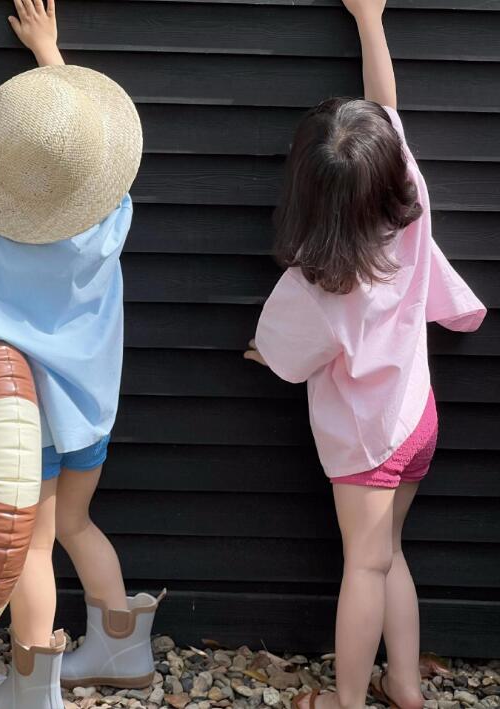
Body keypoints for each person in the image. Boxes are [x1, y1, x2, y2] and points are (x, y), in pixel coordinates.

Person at [0, 1, 162, 706]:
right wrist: (52, 56)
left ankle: (32, 687)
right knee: (78, 525)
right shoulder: (109, 220)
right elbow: (80, 162)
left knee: (32, 546)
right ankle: (122, 645)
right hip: (91, 415)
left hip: (35, 429)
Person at [245, 1, 486, 708]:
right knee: (388, 555)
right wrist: (369, 18)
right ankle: (403, 684)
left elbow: (283, 353)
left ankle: (344, 701)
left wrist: (264, 354)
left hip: (369, 438)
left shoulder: (317, 279)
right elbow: (386, 108)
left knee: (363, 564)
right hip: (417, 417)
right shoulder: (410, 200)